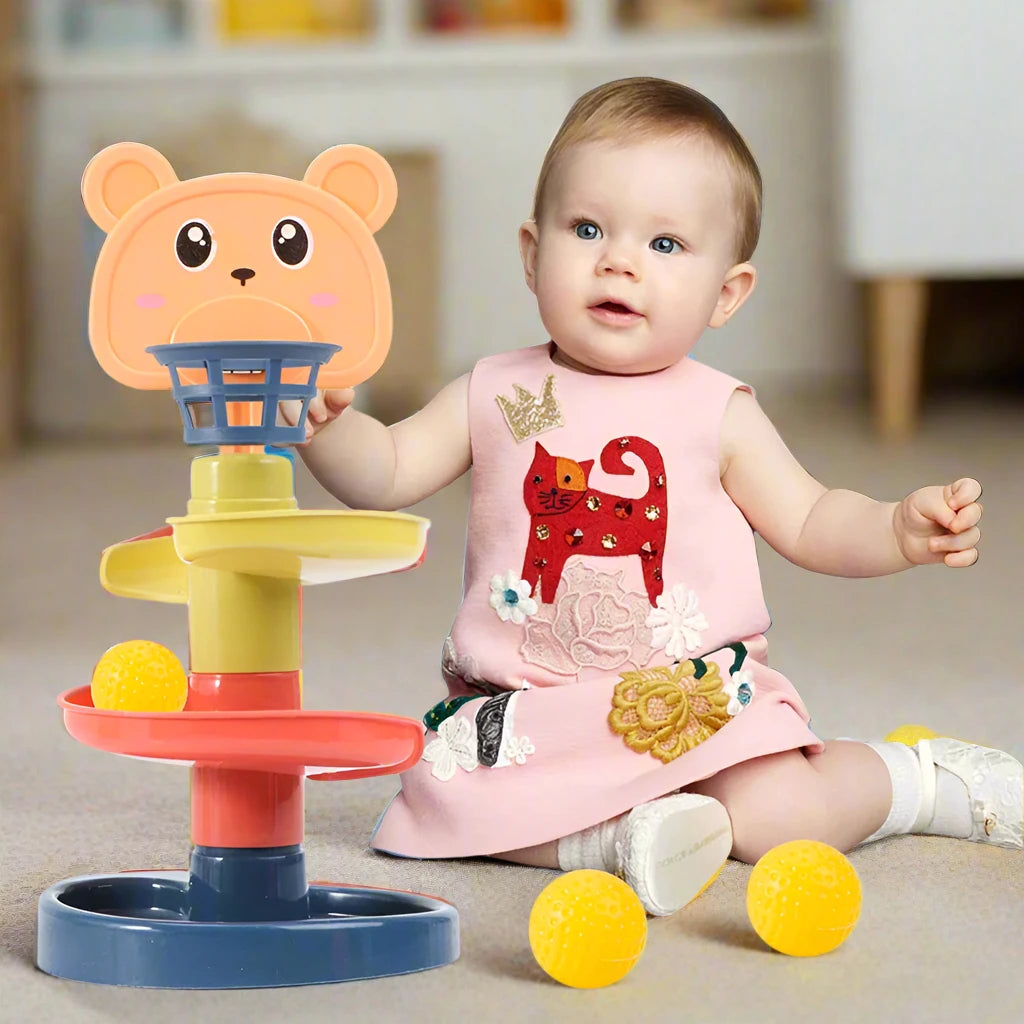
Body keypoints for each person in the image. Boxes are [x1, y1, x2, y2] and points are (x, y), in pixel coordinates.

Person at [283, 77, 1022, 917]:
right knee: (445, 797)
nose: (618, 260)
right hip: (530, 711)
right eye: (587, 228)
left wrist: (894, 528)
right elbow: (383, 472)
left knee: (783, 819)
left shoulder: (717, 411)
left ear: (727, 293)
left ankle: (917, 782)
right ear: (532, 253)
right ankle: (617, 841)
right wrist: (326, 428)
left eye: (666, 245)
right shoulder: (500, 393)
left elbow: (813, 519)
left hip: (693, 701)